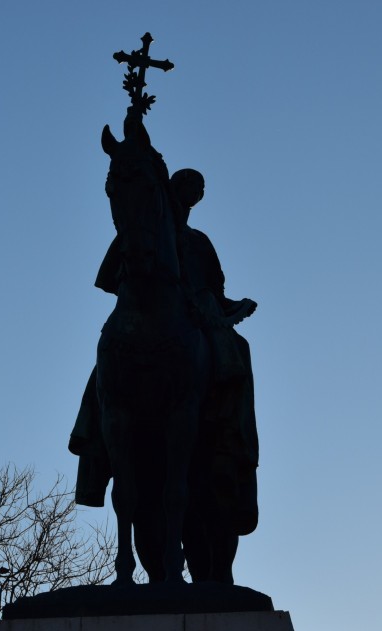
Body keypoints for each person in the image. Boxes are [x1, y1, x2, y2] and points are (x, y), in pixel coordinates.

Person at [69, 168, 259, 583]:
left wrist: (222, 305)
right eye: (186, 188)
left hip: (197, 316)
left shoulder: (198, 242)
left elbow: (215, 287)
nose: (191, 195)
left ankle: (232, 432)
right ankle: (95, 446)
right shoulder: (138, 234)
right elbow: (111, 281)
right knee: (105, 369)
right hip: (143, 322)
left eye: (198, 190)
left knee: (235, 350)